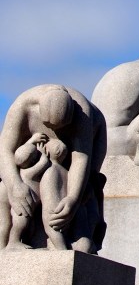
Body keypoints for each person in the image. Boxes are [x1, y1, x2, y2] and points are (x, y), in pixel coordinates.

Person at [0, 84, 106, 252]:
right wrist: (15, 185)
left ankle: (79, 237)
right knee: (10, 196)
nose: (55, 132)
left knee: (87, 189)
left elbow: (81, 158)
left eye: (62, 128)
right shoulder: (22, 107)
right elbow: (5, 150)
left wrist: (72, 199)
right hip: (32, 167)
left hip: (93, 135)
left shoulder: (84, 114)